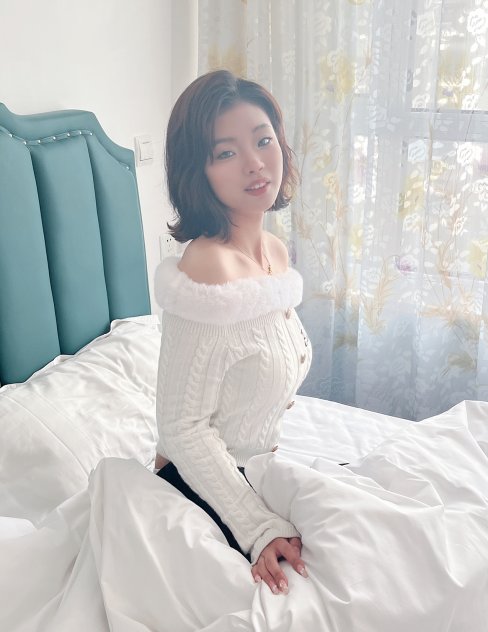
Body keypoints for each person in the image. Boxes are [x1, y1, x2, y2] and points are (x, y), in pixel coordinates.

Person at [154, 69, 312, 596]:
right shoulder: (208, 268)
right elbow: (181, 427)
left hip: (256, 471)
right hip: (200, 486)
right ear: (197, 172)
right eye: (226, 152)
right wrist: (257, 526)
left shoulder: (274, 254)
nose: (255, 162)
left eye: (263, 140)